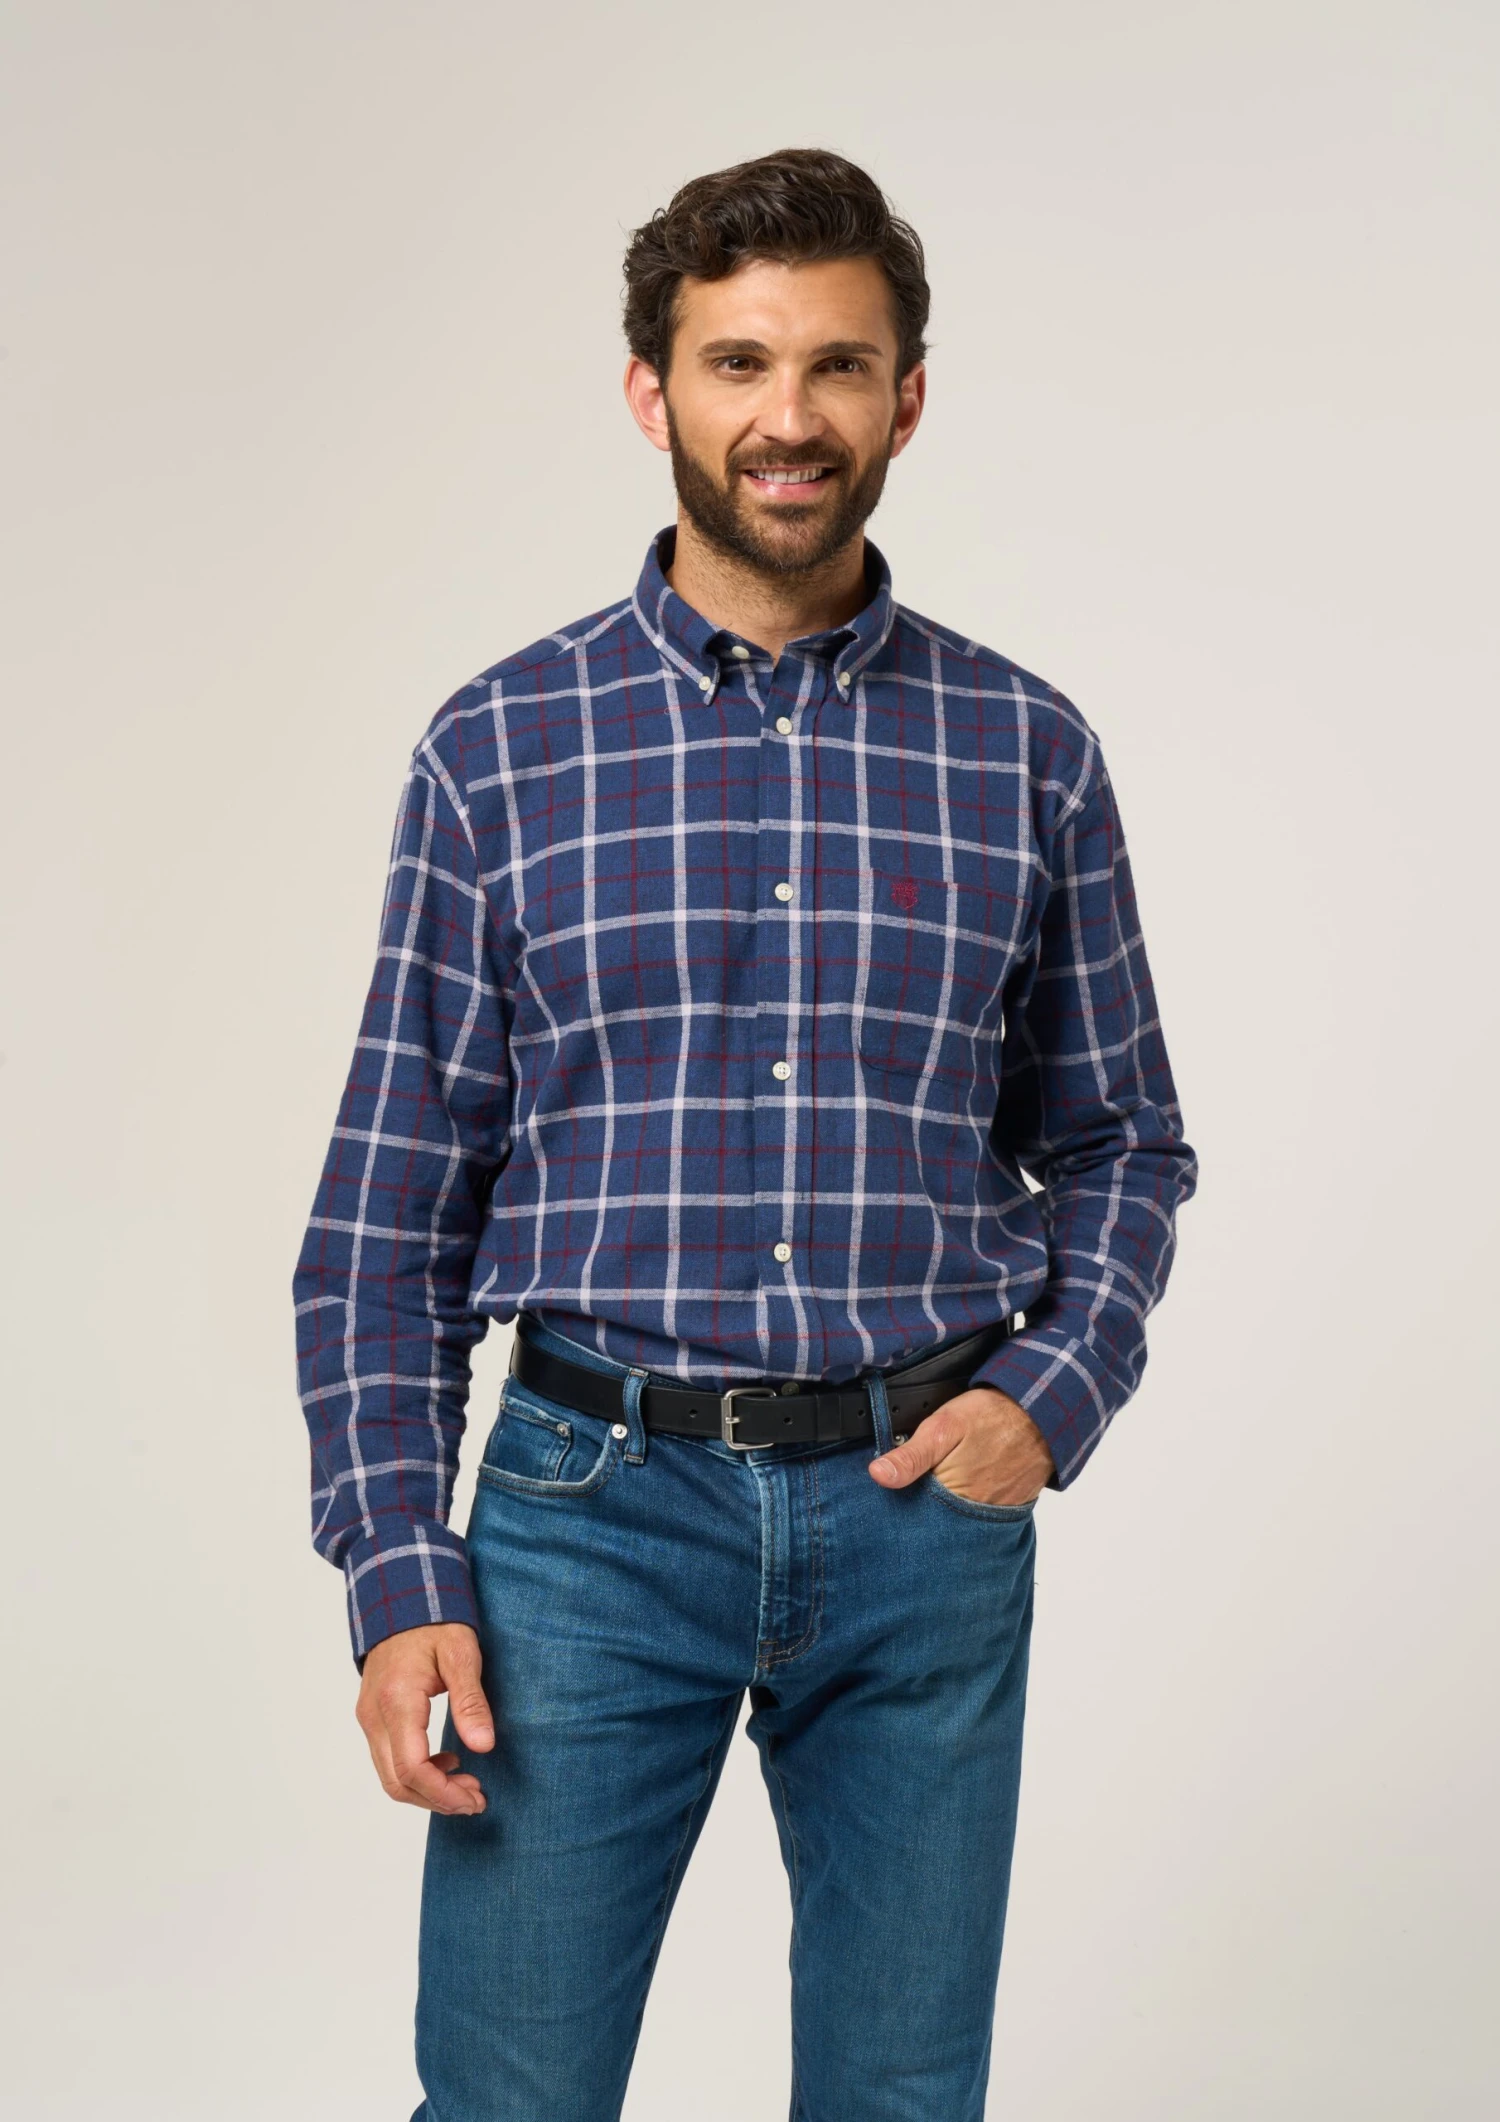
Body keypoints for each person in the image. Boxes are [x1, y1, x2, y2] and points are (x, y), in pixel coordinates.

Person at [293, 146, 1196, 2122]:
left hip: (921, 1515)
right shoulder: (500, 749)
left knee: (902, 2099)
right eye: (738, 362)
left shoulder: (1026, 753)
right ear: (654, 392)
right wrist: (397, 1566)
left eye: (838, 364)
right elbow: (384, 1220)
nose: (789, 415)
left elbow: (1124, 1135)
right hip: (587, 1522)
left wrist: (1050, 1393)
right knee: (511, 2098)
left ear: (907, 399)